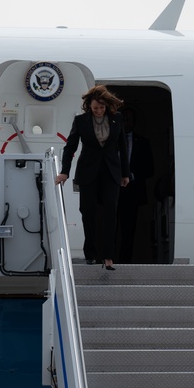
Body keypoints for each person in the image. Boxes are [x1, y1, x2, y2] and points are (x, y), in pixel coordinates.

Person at [55, 85, 130, 270]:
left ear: (107, 106)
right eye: (96, 107)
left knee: (110, 213)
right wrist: (65, 171)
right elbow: (70, 147)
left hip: (111, 171)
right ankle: (90, 253)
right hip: (88, 171)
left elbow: (122, 146)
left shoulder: (116, 119)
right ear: (89, 106)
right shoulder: (81, 121)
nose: (99, 111)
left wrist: (125, 173)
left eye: (102, 107)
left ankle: (108, 256)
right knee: (87, 212)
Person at [117, 107, 154, 263]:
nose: (128, 123)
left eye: (131, 120)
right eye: (125, 119)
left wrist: (132, 175)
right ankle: (108, 259)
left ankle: (125, 261)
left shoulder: (143, 142)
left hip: (133, 193)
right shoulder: (111, 140)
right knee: (111, 229)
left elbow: (150, 169)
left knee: (129, 230)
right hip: (113, 192)